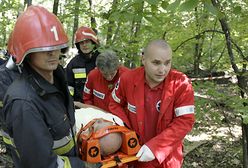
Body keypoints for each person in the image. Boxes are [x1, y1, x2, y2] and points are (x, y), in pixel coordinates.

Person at [0, 6, 101, 168]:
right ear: (26, 53)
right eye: (43, 48)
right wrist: (83, 166)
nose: (52, 53)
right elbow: (42, 164)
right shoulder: (23, 103)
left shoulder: (58, 77)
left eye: (55, 47)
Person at [109, 39, 195, 167]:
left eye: (167, 63)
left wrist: (156, 147)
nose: (162, 70)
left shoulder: (180, 83)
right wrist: (126, 131)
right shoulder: (128, 79)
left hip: (166, 158)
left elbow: (185, 121)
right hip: (134, 155)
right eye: (156, 63)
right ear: (143, 59)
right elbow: (114, 104)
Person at [66, 26, 100, 103]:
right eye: (81, 43)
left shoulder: (101, 60)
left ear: (93, 43)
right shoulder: (73, 64)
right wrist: (70, 102)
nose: (84, 45)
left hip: (99, 106)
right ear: (78, 45)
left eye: (87, 41)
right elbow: (69, 86)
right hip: (79, 105)